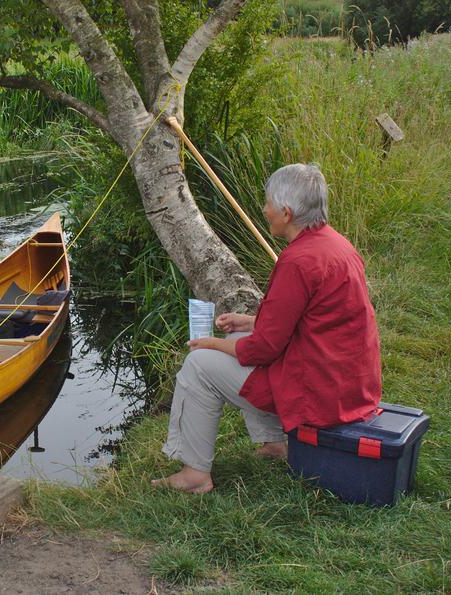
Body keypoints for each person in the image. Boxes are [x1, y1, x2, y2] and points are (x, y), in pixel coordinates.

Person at [153, 163, 382, 494]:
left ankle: (194, 475)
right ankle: (275, 445)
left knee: (199, 366)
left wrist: (211, 345)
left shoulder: (298, 261)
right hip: (348, 382)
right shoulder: (337, 246)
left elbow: (263, 349)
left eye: (269, 203)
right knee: (237, 335)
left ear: (286, 213)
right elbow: (309, 320)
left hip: (321, 395)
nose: (264, 210)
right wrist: (249, 323)